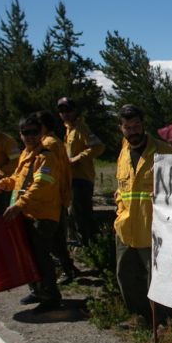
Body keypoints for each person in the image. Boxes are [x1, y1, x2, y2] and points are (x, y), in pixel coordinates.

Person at [0, 115, 64, 313]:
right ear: (20, 135)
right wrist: (3, 184)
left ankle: (51, 297)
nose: (30, 136)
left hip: (43, 215)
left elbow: (40, 186)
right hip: (27, 213)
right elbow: (19, 178)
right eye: (25, 133)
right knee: (28, 254)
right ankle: (37, 290)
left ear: (41, 133)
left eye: (34, 132)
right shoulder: (26, 154)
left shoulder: (46, 156)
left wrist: (18, 205)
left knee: (41, 257)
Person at [114, 104, 172, 326]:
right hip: (125, 227)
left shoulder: (163, 151)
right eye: (128, 127)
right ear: (121, 129)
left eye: (137, 125)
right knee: (125, 274)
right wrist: (119, 209)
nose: (133, 131)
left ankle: (164, 324)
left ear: (143, 125)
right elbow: (122, 187)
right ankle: (139, 316)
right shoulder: (123, 151)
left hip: (152, 228)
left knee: (157, 279)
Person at [35, 110, 78, 282]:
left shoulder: (49, 144)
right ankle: (69, 269)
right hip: (58, 196)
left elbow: (50, 173)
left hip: (52, 198)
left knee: (54, 239)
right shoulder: (54, 141)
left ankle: (66, 270)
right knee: (57, 239)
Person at [57, 97, 105, 247]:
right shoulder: (68, 129)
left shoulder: (81, 128)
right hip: (72, 178)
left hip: (82, 178)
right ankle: (85, 244)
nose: (65, 113)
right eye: (62, 111)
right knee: (75, 214)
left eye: (68, 110)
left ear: (75, 111)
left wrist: (77, 158)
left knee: (82, 214)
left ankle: (91, 246)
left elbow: (98, 146)